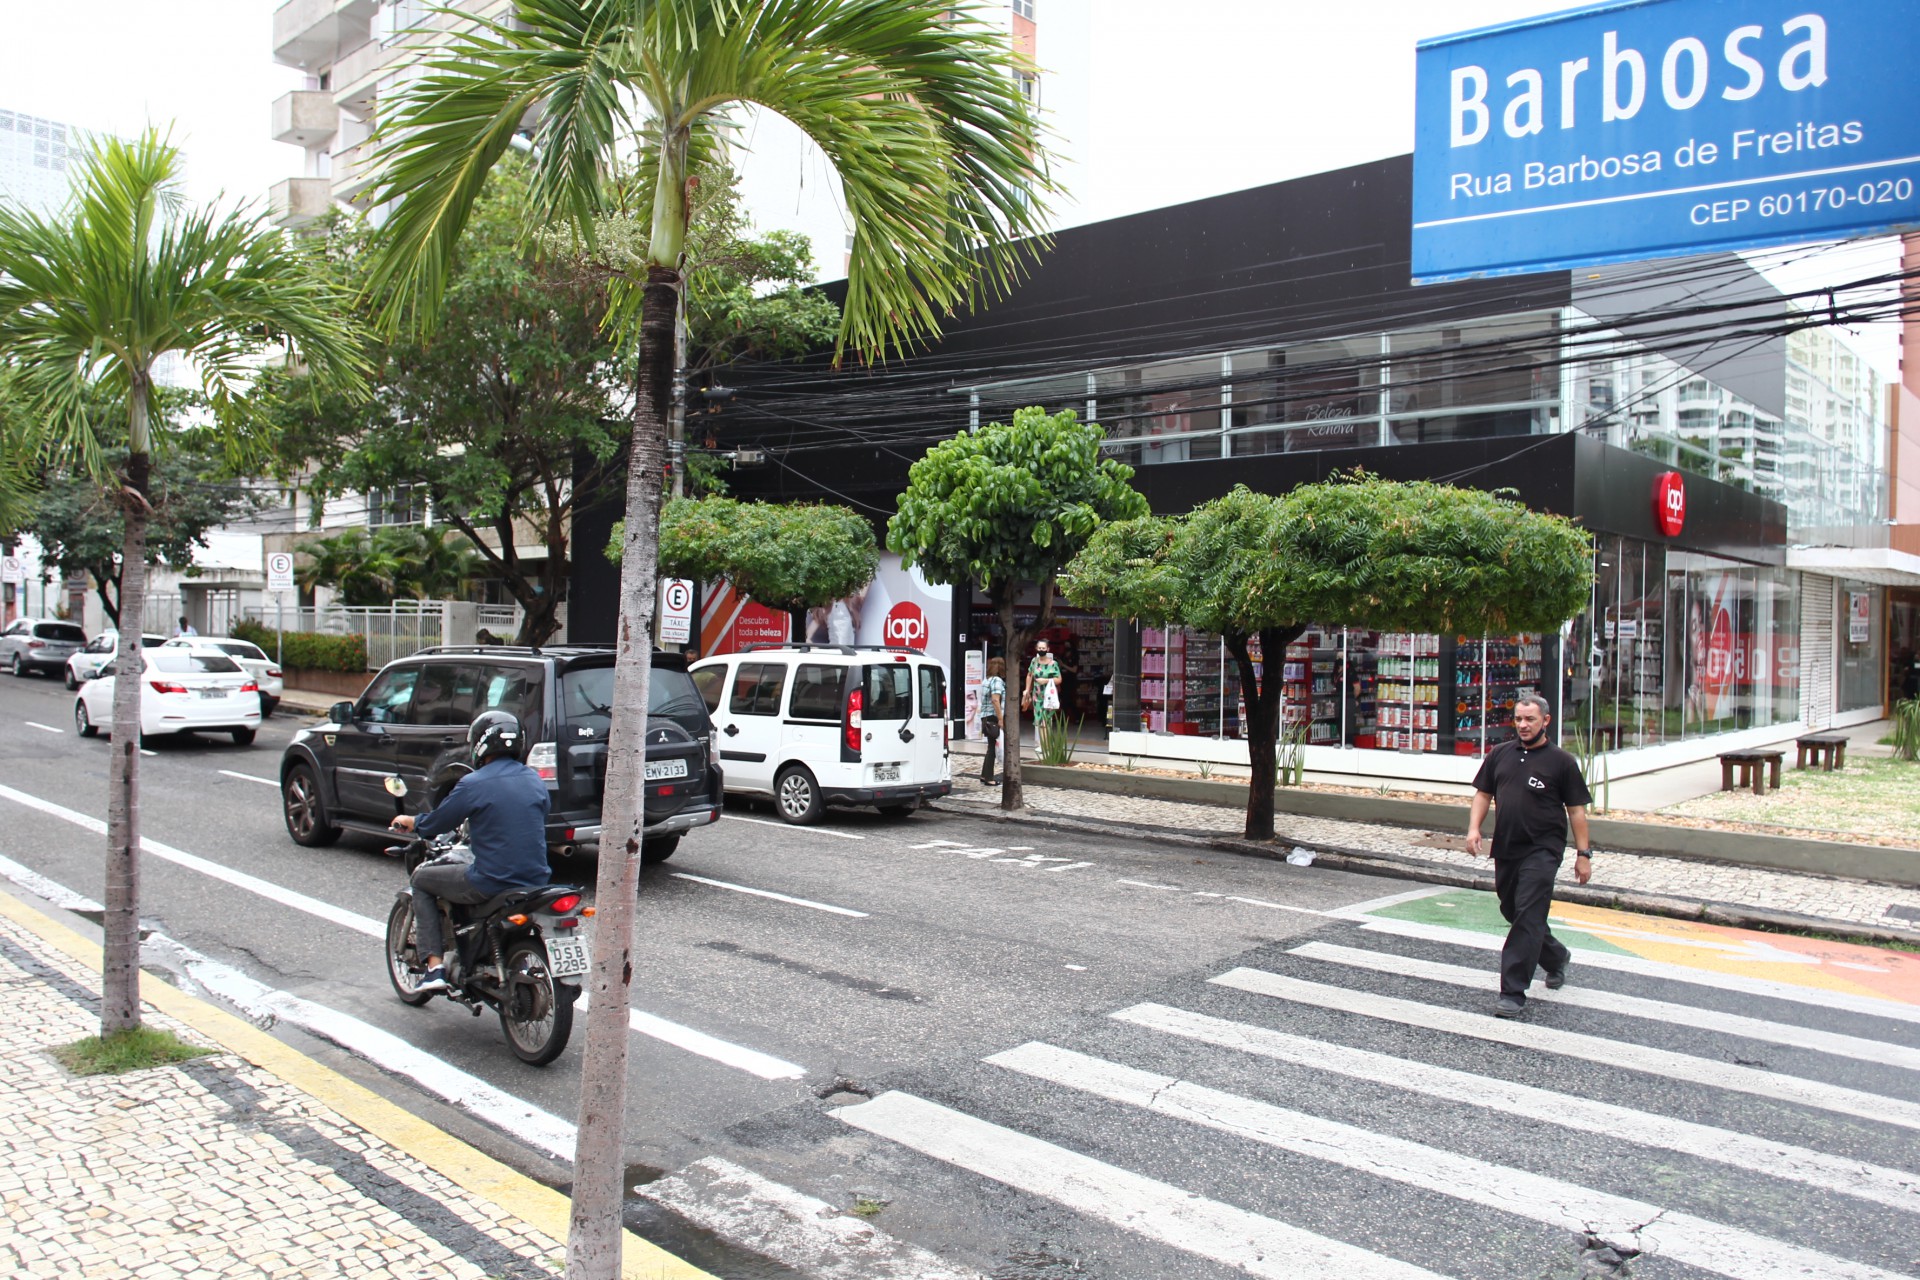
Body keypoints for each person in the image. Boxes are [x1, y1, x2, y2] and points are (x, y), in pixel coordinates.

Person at [389, 710, 552, 992]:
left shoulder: (474, 783)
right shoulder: (535, 779)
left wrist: (413, 822)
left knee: (421, 880)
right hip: (537, 879)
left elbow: (439, 822)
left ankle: (435, 968)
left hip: (492, 880)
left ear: (480, 744)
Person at [1465, 693, 1592, 1018]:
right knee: (1513, 909)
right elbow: (1483, 794)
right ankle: (1555, 956)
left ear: (1545, 721)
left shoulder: (1561, 762)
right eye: (1519, 719)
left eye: (1530, 719)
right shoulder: (1500, 754)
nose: (1523, 725)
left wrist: (1583, 854)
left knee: (1528, 914)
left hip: (1543, 850)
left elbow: (1576, 811)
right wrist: (1474, 829)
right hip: (1508, 846)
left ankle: (1513, 992)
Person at [1023, 640, 1063, 747]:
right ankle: (1042, 745)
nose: (1041, 650)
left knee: (1045, 721)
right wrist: (1027, 689)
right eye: (1039, 648)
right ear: (1036, 649)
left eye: (1043, 648)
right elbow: (1029, 675)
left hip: (1049, 696)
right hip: (1037, 696)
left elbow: (1059, 679)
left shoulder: (1053, 664)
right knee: (1039, 720)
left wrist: (1046, 680)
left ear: (1048, 649)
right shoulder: (1034, 661)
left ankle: (1045, 745)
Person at [979, 657, 1007, 784]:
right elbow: (995, 700)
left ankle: (985, 775)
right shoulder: (997, 681)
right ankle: (989, 778)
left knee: (990, 746)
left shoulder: (986, 680)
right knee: (992, 748)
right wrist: (1000, 718)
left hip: (985, 716)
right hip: (992, 716)